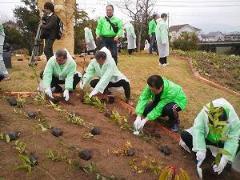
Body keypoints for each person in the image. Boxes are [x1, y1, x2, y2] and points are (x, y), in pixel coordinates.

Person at [179, 98, 240, 176]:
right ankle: (206, 156)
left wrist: (224, 159)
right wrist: (200, 149)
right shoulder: (204, 112)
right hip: (207, 138)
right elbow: (198, 130)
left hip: (222, 141)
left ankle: (225, 164)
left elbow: (233, 139)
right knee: (185, 135)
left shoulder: (234, 120)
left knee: (237, 141)